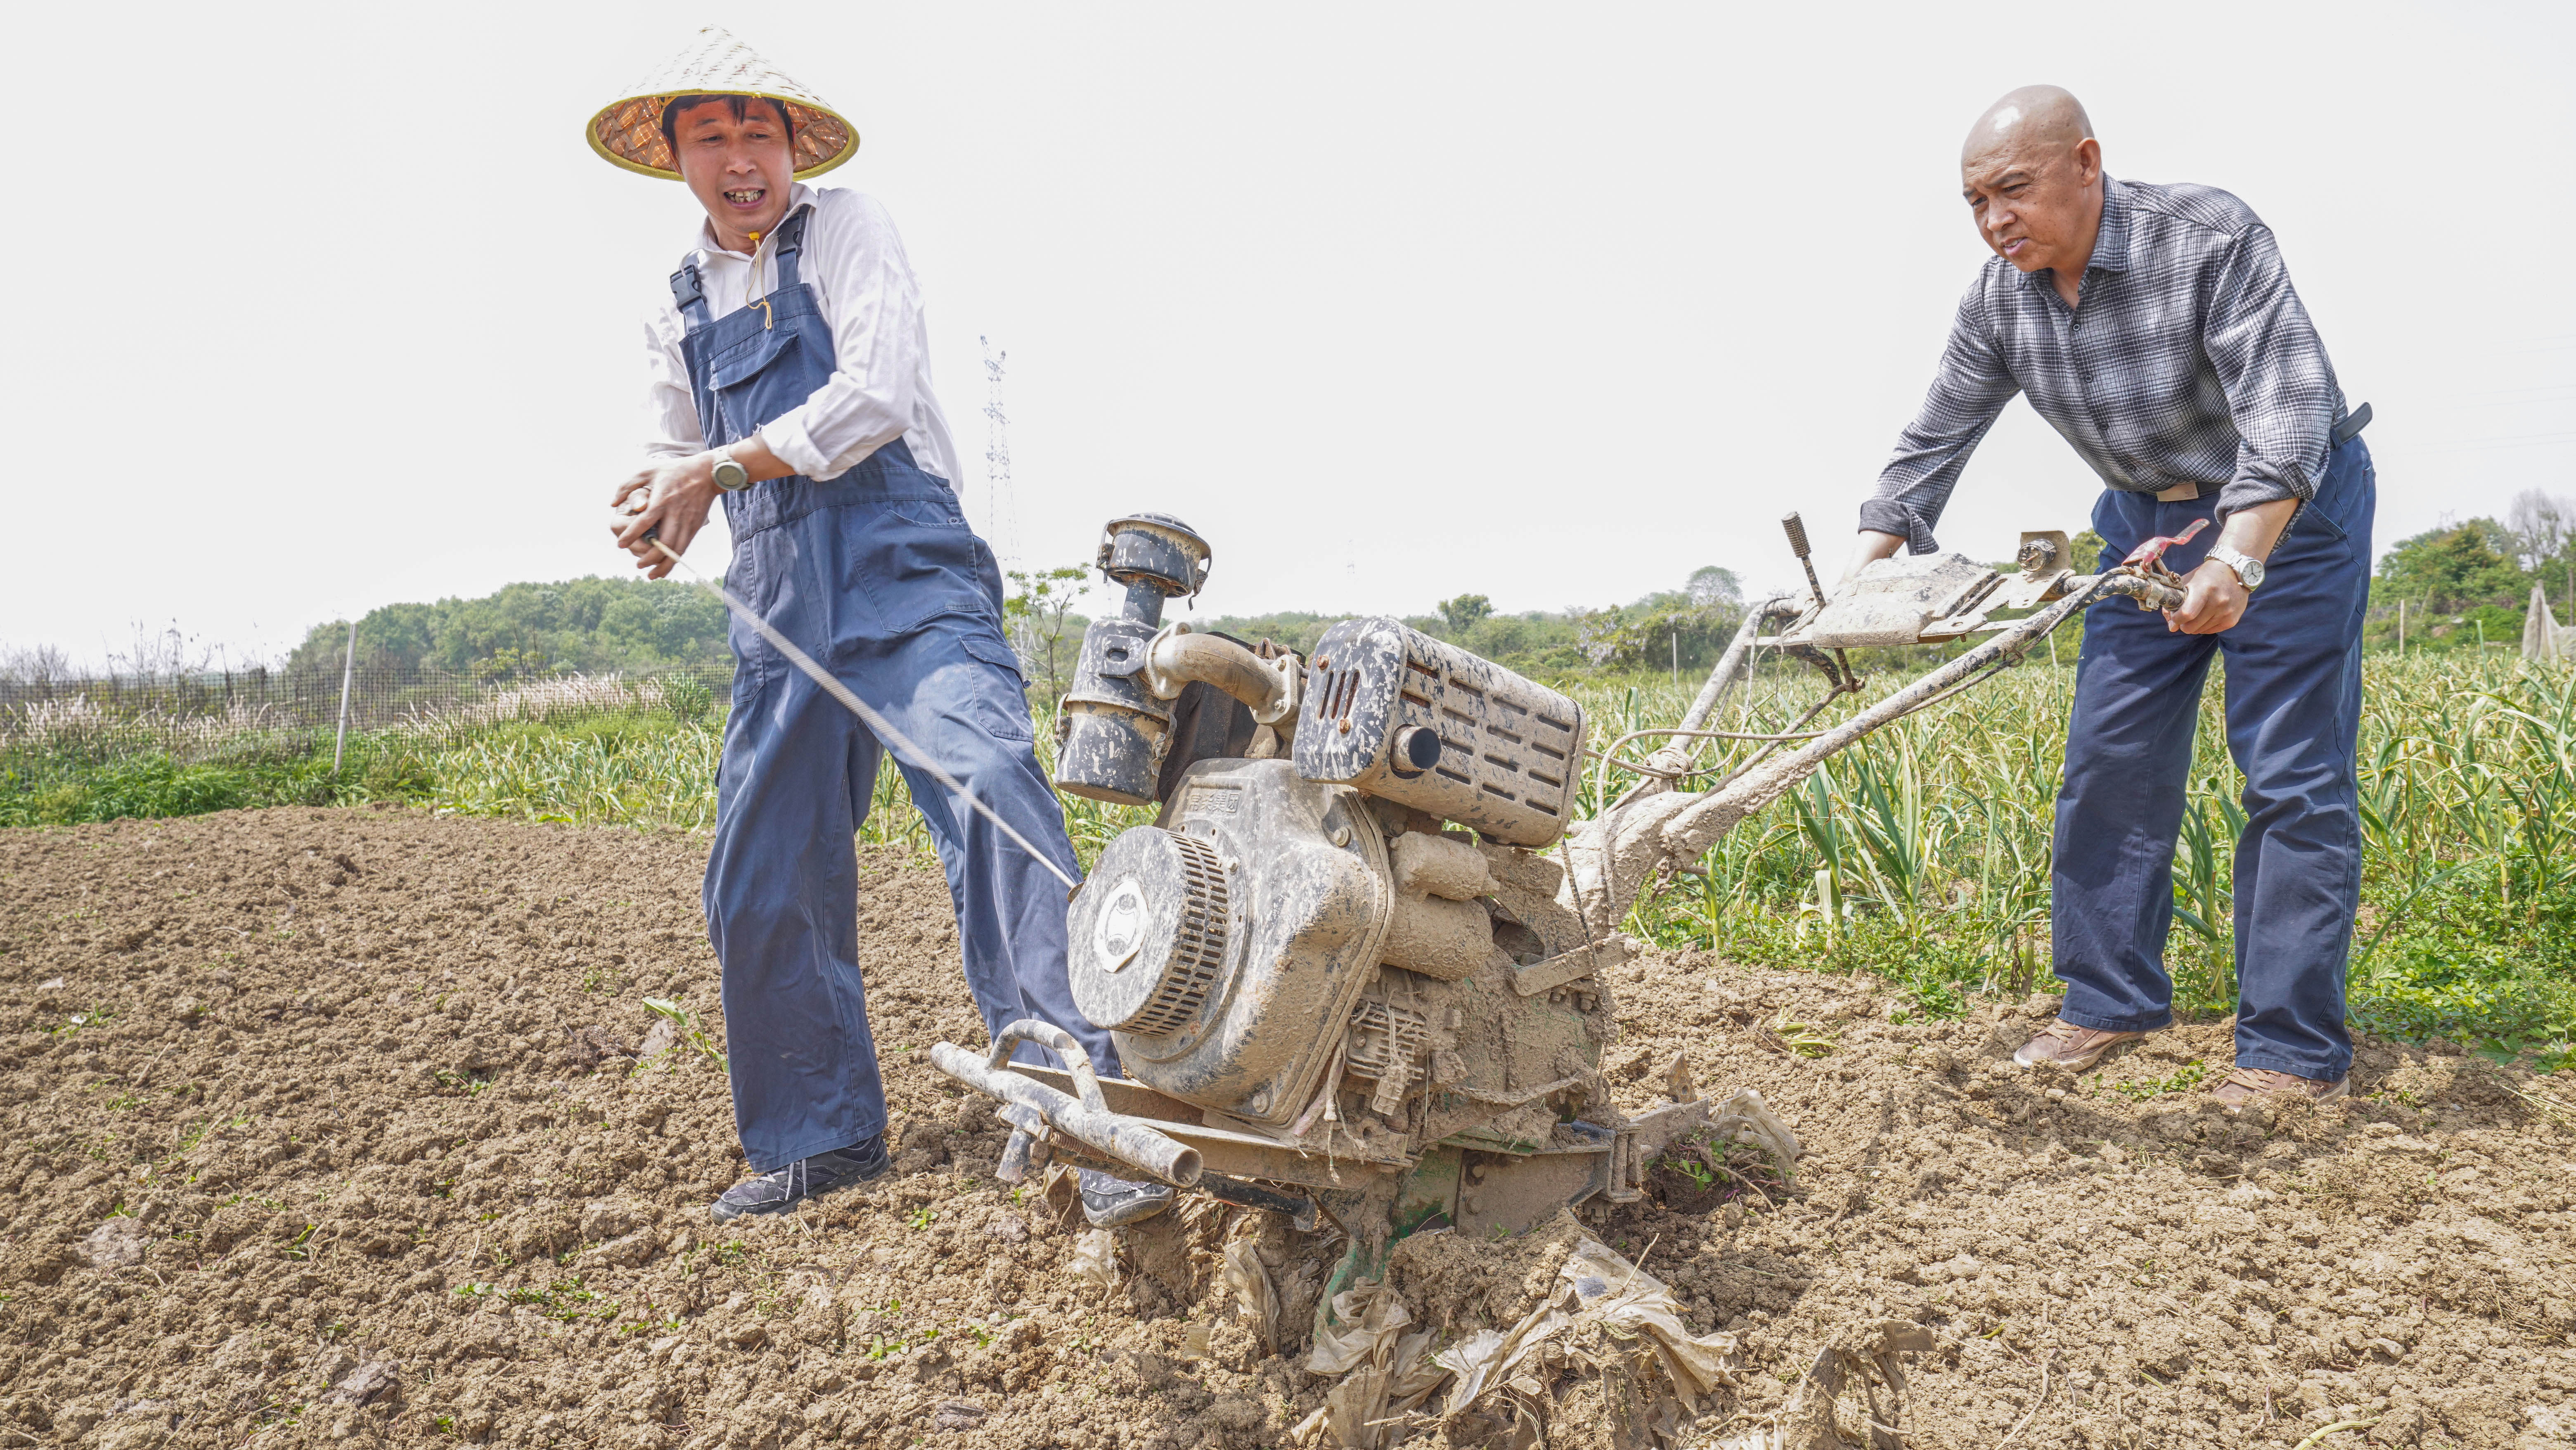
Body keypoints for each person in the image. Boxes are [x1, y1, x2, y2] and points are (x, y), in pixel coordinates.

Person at [589, 28, 1171, 1223]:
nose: (740, 158)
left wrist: (718, 468)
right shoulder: (678, 301)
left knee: (990, 786)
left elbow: (875, 395)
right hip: (781, 605)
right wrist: (663, 509)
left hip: (905, 575)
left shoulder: (849, 231)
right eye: (714, 136)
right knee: (761, 874)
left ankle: (1086, 1111)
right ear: (680, 157)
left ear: (795, 146)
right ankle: (821, 1138)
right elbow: (671, 449)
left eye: (760, 133)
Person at [1852, 86, 2373, 1107]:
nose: (1995, 219)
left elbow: (2287, 405)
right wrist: (1861, 576)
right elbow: (1931, 446)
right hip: (2145, 526)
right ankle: (2108, 998)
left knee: (2291, 774)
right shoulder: (2000, 301)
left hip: (2291, 520)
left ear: (2086, 163)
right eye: (1975, 203)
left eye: (2014, 190)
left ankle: (2290, 1052)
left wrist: (2243, 557)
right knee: (2110, 764)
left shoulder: (2207, 239)